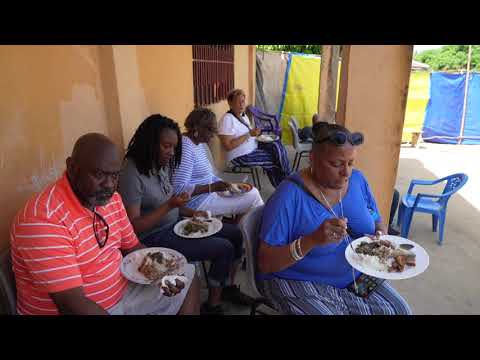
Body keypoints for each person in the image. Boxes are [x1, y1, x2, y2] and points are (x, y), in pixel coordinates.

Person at [10, 133, 200, 315]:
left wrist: (160, 276)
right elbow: (72, 306)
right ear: (72, 167)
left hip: (123, 292)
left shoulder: (111, 200)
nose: (109, 185)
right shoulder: (43, 219)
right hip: (85, 308)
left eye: (115, 176)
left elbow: (133, 247)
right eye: (99, 174)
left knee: (187, 278)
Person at [256, 122, 412, 315]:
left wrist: (380, 234)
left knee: (399, 310)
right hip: (299, 281)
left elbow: (374, 215)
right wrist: (311, 240)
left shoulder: (358, 180)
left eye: (350, 163)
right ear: (312, 158)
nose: (346, 172)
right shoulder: (288, 196)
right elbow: (265, 262)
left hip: (354, 278)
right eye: (336, 164)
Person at [118, 114, 253, 315]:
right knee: (222, 248)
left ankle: (226, 287)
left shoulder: (158, 164)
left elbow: (173, 203)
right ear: (150, 142)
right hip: (154, 238)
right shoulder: (132, 172)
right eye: (166, 146)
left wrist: (192, 212)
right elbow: (133, 227)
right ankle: (213, 305)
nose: (172, 152)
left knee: (234, 233)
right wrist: (170, 206)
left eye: (174, 147)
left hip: (176, 224)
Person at [172, 107, 264, 217]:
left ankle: (244, 229)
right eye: (210, 130)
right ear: (196, 127)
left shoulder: (198, 143)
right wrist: (212, 188)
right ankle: (249, 231)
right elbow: (179, 189)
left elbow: (208, 175)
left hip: (209, 194)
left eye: (214, 131)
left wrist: (228, 185)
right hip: (196, 203)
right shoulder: (186, 148)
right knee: (253, 198)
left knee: (252, 192)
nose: (213, 134)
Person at [218, 89, 291, 188]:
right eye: (238, 102)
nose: (241, 105)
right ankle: (285, 185)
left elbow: (250, 134)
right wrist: (249, 134)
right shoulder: (227, 120)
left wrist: (257, 133)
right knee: (274, 160)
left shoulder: (243, 116)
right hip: (240, 156)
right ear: (230, 103)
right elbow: (228, 146)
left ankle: (287, 178)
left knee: (276, 145)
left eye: (243, 101)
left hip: (253, 147)